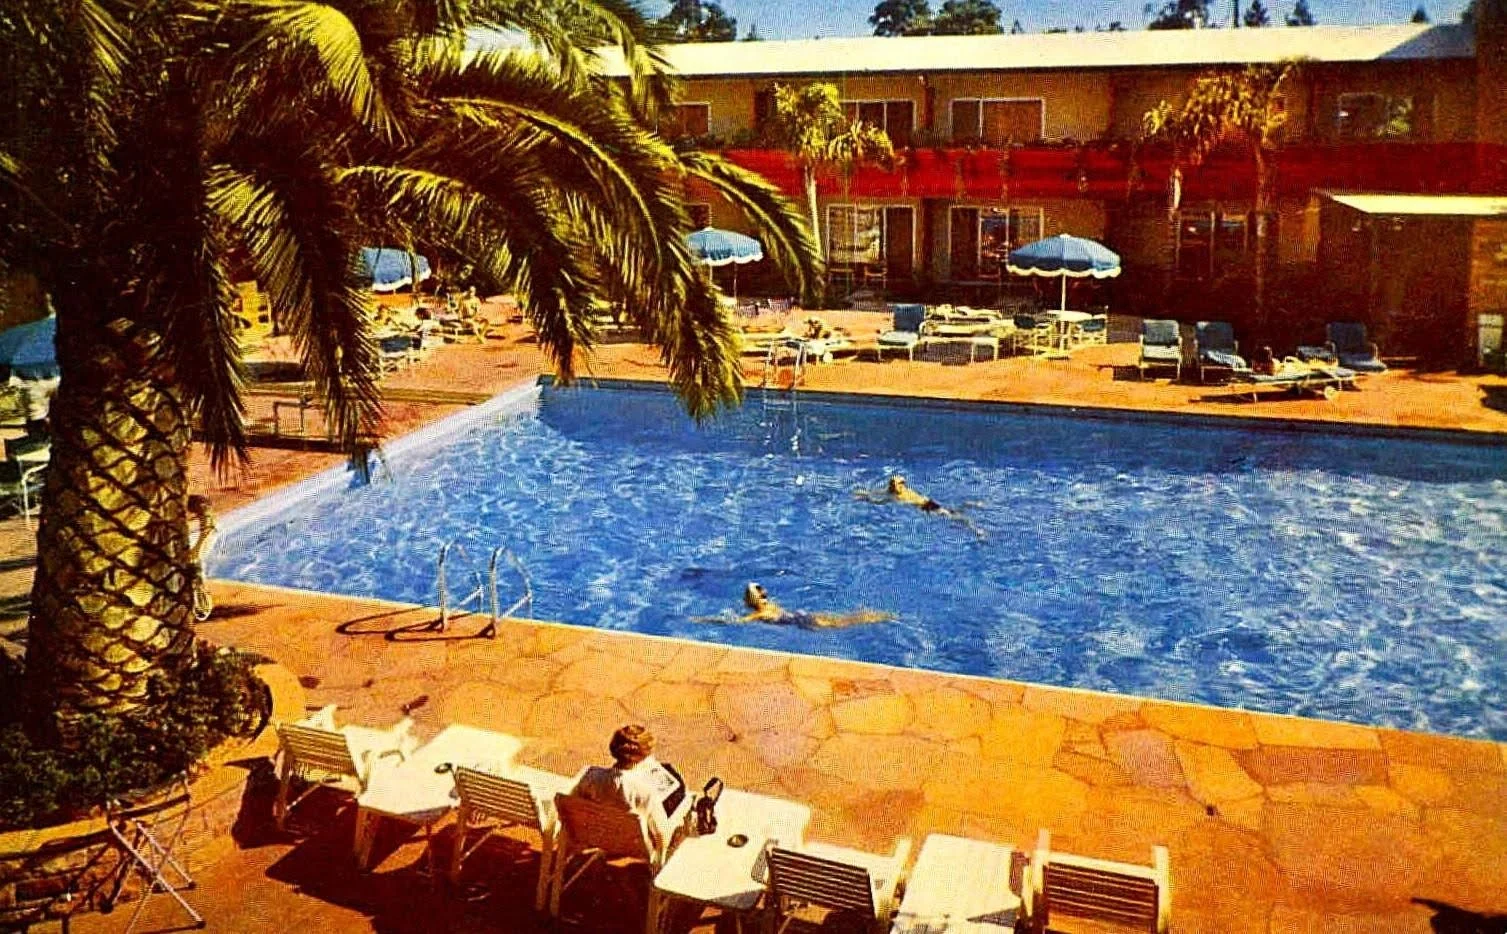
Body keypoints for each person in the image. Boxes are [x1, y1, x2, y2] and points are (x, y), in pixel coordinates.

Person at [571, 725, 686, 836]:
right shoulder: (645, 792)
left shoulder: (590, 776)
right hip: (635, 842)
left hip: (602, 833)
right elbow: (661, 834)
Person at [732, 582, 893, 629]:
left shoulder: (761, 613)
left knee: (841, 622)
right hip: (801, 617)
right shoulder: (769, 607)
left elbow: (739, 621)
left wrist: (711, 620)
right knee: (842, 620)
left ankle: (875, 617)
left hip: (802, 620)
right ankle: (875, 616)